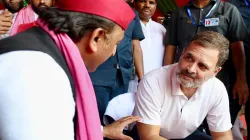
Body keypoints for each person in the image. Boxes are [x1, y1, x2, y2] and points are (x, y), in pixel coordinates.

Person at [0, 0, 140, 140]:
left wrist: (102, 131)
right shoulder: (39, 72)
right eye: (116, 43)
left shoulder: (45, 48)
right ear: (96, 38)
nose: (113, 53)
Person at [163, 0, 249, 130]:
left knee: (217, 127)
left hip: (219, 81)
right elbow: (171, 46)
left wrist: (241, 80)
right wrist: (166, 75)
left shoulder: (228, 11)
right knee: (182, 126)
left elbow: (237, 47)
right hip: (185, 81)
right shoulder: (179, 13)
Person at [134, 31, 233, 140]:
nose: (190, 69)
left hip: (186, 135)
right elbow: (149, 136)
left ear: (215, 71)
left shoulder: (217, 89)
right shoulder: (153, 81)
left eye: (202, 66)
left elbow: (223, 135)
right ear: (183, 53)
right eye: (189, 58)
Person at [89, 0, 144, 125]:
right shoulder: (99, 7)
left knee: (118, 119)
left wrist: (142, 78)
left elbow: (136, 47)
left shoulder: (133, 15)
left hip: (122, 77)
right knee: (97, 118)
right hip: (99, 74)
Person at [128, 0, 166, 92]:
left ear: (156, 6)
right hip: (131, 81)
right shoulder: (128, 25)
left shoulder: (162, 29)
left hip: (156, 83)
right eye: (142, 1)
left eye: (151, 2)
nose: (147, 5)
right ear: (135, 3)